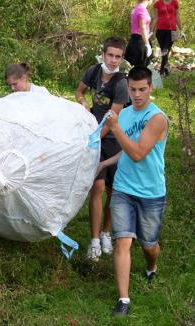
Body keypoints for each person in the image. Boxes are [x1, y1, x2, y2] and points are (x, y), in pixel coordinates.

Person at [102, 66, 168, 316]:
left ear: (151, 87)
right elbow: (126, 149)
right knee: (122, 241)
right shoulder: (126, 114)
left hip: (151, 192)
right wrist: (105, 163)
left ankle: (152, 266)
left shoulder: (158, 118)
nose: (137, 94)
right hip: (123, 187)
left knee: (148, 244)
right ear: (127, 88)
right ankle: (124, 300)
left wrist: (115, 128)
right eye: (132, 89)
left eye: (142, 89)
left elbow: (138, 153)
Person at [75, 37, 129, 262]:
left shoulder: (121, 83)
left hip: (111, 138)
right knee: (96, 188)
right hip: (92, 135)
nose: (114, 60)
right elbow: (79, 92)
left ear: (122, 58)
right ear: (103, 54)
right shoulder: (94, 71)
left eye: (118, 56)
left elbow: (111, 121)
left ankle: (107, 232)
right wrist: (82, 103)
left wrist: (94, 139)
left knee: (112, 190)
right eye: (110, 55)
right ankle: (94, 240)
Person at [152, 0, 185, 76]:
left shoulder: (175, 2)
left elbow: (177, 16)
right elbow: (155, 18)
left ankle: (161, 71)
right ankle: (166, 69)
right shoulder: (158, 3)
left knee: (165, 49)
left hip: (171, 31)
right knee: (163, 50)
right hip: (160, 31)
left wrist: (181, 30)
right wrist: (151, 31)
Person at [125, 0, 154, 67]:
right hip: (140, 42)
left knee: (132, 69)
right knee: (140, 69)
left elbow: (135, 26)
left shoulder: (136, 8)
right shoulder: (142, 10)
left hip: (134, 39)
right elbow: (142, 27)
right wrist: (147, 44)